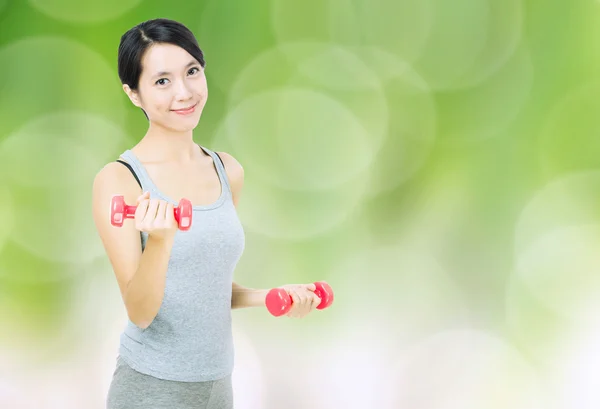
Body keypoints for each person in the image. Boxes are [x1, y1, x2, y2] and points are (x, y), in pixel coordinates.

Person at [92, 18, 323, 409]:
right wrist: (161, 241)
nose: (184, 92)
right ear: (134, 94)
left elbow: (203, 288)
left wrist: (270, 296)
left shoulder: (227, 171)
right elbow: (141, 311)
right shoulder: (119, 181)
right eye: (162, 81)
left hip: (219, 387)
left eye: (192, 72)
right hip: (152, 389)